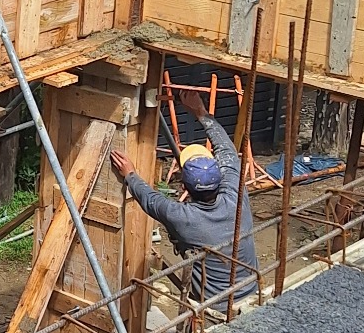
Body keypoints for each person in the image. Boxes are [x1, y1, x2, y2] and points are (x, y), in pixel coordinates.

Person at [109, 87, 259, 308]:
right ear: (219, 178)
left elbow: (150, 200)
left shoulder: (184, 217)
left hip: (213, 305)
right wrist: (201, 112)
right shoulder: (236, 197)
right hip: (251, 291)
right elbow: (226, 149)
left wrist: (129, 174)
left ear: (183, 186)